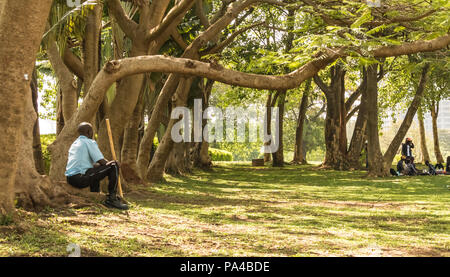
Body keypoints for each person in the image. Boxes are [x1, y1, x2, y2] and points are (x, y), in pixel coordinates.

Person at [65, 122, 129, 210]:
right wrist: (114, 163)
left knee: (96, 168)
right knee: (113, 166)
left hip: (71, 179)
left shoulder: (75, 143)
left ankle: (95, 194)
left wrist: (103, 165)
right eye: (92, 131)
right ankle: (112, 199)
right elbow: (103, 162)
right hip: (80, 178)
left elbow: (94, 165)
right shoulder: (88, 142)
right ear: (89, 132)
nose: (92, 133)